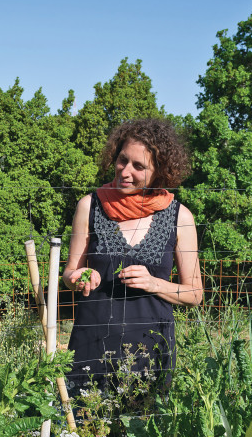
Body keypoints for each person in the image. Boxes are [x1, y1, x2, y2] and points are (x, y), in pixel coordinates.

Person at [61, 118, 203, 401]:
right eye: (122, 160)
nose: (125, 171)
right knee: (85, 433)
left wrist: (154, 284)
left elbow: (195, 294)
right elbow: (69, 275)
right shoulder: (89, 206)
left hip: (151, 351)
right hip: (91, 345)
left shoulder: (180, 217)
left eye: (139, 166)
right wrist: (81, 277)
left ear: (159, 172)